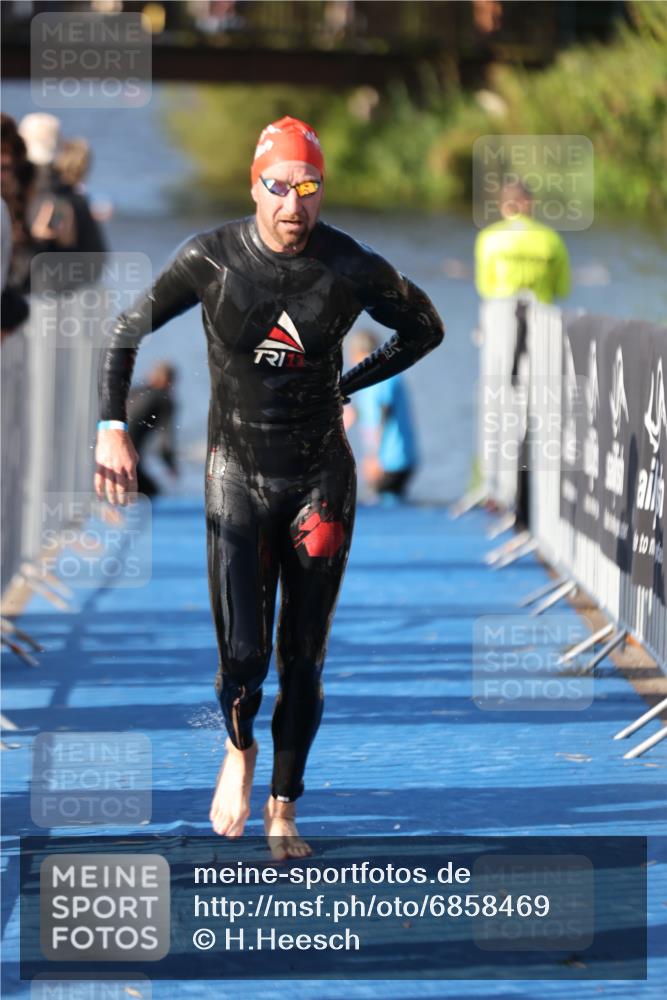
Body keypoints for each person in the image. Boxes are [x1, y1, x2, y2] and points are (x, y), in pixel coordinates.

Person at [95, 116, 444, 858]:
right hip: (236, 479)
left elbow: (424, 329)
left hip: (320, 477)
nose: (293, 206)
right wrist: (111, 427)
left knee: (303, 658)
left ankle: (284, 808)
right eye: (278, 188)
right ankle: (238, 746)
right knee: (244, 658)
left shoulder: (349, 266)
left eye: (308, 188)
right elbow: (125, 329)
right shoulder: (211, 258)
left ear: (322, 191)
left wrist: (348, 382)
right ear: (254, 188)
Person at [474, 179, 571, 526]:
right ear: (529, 204)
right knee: (535, 408)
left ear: (504, 206)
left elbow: (484, 285)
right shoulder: (550, 239)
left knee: (495, 403)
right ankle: (528, 495)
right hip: (540, 323)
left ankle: (495, 489)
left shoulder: (489, 239)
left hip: (500, 319)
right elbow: (561, 288)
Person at [344, 329, 418, 502]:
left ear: (359, 354)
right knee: (381, 501)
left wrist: (373, 457)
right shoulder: (372, 378)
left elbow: (383, 415)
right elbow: (368, 411)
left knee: (386, 507)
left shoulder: (382, 376)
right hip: (390, 456)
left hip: (392, 458)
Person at [126, 362, 179, 498]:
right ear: (169, 381)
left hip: (107, 456)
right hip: (129, 462)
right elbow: (165, 442)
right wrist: (171, 465)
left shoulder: (134, 392)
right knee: (153, 495)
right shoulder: (164, 399)